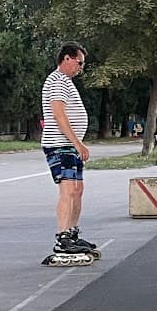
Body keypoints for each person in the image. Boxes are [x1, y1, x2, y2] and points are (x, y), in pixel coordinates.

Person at [41, 43, 97, 263]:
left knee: (77, 189)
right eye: (79, 62)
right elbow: (59, 115)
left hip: (69, 146)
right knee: (68, 189)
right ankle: (62, 237)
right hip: (60, 144)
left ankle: (72, 233)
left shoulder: (66, 82)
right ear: (67, 58)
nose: (80, 68)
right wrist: (77, 143)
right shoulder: (56, 81)